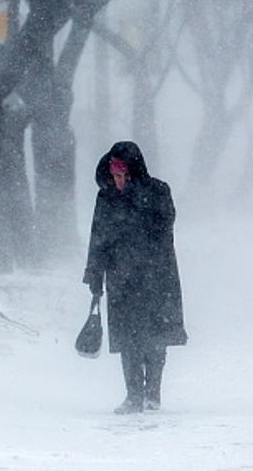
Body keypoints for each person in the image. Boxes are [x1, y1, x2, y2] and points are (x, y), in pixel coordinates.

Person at [83, 141, 188, 414]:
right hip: (121, 278)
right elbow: (98, 238)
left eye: (122, 176)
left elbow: (164, 226)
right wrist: (94, 275)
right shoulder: (105, 198)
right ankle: (133, 396)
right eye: (114, 176)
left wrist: (133, 201)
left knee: (155, 337)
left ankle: (153, 394)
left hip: (156, 276)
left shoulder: (158, 191)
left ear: (132, 172)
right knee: (128, 339)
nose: (117, 182)